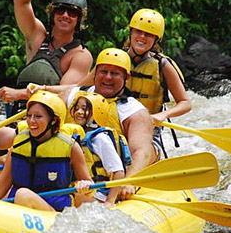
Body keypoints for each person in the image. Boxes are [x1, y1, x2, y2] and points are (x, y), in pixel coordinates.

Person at [28, 48, 156, 200]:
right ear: (94, 73)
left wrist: (128, 182)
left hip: (95, 185)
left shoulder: (133, 110)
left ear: (126, 77)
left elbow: (141, 151)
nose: (108, 78)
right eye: (103, 72)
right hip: (59, 173)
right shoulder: (72, 95)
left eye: (115, 74)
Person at [79, 9, 191, 157]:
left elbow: (185, 103)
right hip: (110, 126)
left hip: (146, 131)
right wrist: (48, 89)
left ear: (156, 40)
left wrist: (162, 115)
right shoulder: (113, 59)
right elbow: (79, 88)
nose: (142, 37)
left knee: (137, 153)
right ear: (131, 33)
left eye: (149, 34)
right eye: (138, 32)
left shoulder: (163, 65)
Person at [0, 91, 93, 212]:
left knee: (23, 194)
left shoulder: (71, 147)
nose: (31, 121)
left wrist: (85, 185)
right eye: (29, 116)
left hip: (53, 212)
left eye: (38, 116)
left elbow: (89, 185)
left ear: (53, 120)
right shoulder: (18, 145)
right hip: (19, 208)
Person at [0, 0, 92, 107]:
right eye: (60, 10)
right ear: (52, 14)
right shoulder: (37, 36)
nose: (65, 15)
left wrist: (19, 94)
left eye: (73, 12)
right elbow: (20, 0)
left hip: (49, 120)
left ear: (79, 19)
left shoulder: (81, 55)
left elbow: (66, 95)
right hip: (19, 113)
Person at [70, 92, 131, 208]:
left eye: (84, 109)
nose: (78, 112)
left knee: (77, 197)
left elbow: (118, 172)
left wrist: (110, 201)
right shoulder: (75, 136)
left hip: (99, 194)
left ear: (97, 113)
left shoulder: (100, 139)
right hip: (81, 188)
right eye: (77, 108)